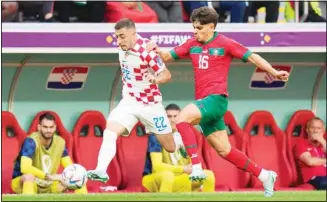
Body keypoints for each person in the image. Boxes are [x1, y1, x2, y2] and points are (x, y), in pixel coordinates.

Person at [146, 7, 290, 197]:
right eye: (193, 27)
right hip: (204, 104)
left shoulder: (225, 43)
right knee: (225, 151)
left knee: (181, 119)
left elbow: (252, 56)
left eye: (198, 28)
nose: (194, 31)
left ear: (211, 27)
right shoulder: (191, 43)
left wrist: (273, 72)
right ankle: (264, 175)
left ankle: (196, 167)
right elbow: (167, 57)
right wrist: (156, 49)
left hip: (216, 100)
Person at [87, 18, 183, 183]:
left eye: (122, 36)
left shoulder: (146, 50)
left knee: (170, 147)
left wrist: (154, 79)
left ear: (133, 33)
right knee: (110, 132)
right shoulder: (121, 47)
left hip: (151, 105)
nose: (119, 41)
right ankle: (101, 170)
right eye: (117, 36)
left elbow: (166, 74)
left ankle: (180, 139)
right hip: (129, 102)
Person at [142, 103, 215, 192]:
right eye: (169, 116)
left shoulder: (187, 135)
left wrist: (192, 169)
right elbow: (156, 167)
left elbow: (192, 162)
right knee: (170, 176)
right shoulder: (157, 136)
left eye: (175, 116)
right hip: (155, 178)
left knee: (208, 175)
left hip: (181, 175)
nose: (173, 120)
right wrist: (183, 169)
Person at [11, 112, 87, 194]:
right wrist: (48, 176)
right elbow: (25, 168)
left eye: (51, 127)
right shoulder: (30, 141)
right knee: (28, 177)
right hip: (27, 181)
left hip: (49, 182)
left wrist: (66, 178)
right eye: (45, 127)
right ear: (39, 127)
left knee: (78, 176)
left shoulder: (60, 142)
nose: (48, 130)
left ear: (55, 128)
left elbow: (70, 167)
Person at [294, 117, 326, 190]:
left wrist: (322, 141)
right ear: (307, 130)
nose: (315, 131)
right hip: (315, 178)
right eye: (312, 128)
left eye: (319, 128)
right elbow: (310, 161)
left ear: (323, 131)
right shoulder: (301, 144)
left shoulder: (324, 144)